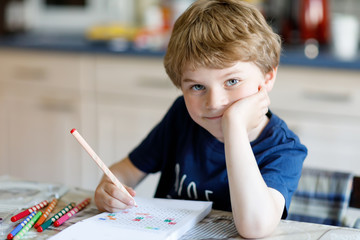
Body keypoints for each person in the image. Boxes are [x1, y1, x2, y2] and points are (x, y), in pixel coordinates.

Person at [94, 0, 307, 238]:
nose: (214, 102)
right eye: (197, 86)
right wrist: (109, 189)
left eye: (232, 81)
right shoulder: (181, 117)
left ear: (267, 78)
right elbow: (124, 171)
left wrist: (234, 125)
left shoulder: (284, 149)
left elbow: (254, 227)